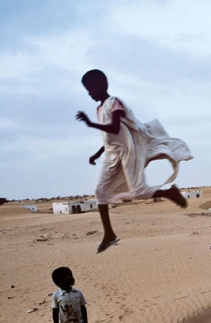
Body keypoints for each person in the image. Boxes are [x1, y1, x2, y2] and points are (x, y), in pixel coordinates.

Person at [76, 69, 193, 253]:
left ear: (102, 85)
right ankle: (109, 234)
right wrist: (98, 154)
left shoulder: (115, 103)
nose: (89, 93)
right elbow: (109, 136)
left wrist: (90, 124)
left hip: (127, 152)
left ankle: (168, 192)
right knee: (100, 192)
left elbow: (115, 127)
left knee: (138, 191)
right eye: (87, 90)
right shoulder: (99, 108)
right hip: (111, 154)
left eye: (91, 88)